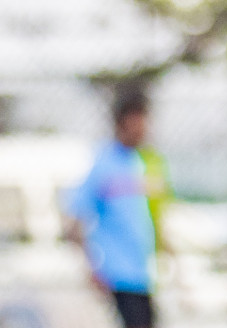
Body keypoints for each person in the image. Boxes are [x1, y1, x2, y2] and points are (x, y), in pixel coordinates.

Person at [66, 86, 158, 328]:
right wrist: (91, 268)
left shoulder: (139, 162)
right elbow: (74, 222)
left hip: (142, 274)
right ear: (123, 122)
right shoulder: (103, 163)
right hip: (116, 275)